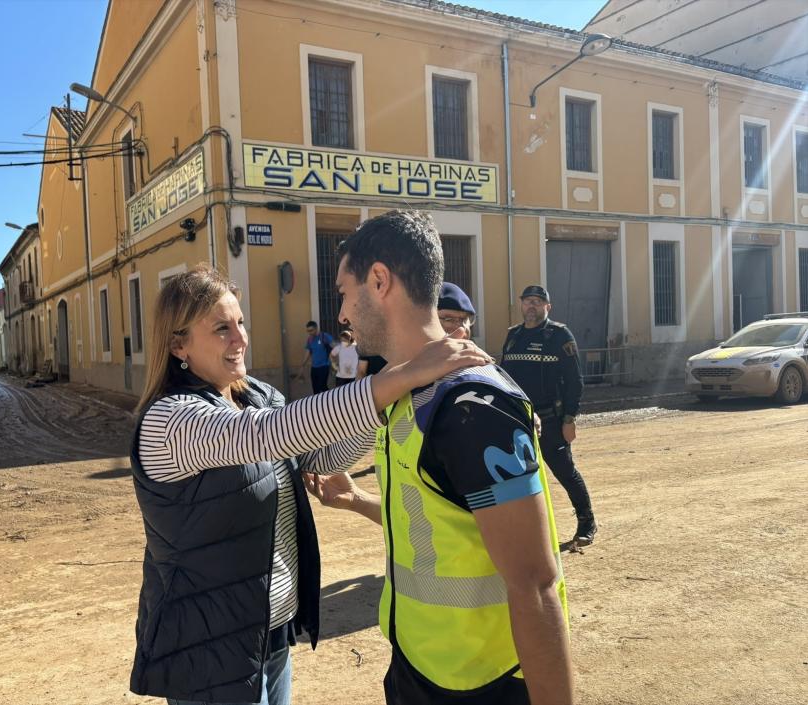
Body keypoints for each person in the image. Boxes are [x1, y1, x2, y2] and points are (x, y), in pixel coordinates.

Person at [128, 264, 489, 705]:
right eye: (221, 328)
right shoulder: (171, 419)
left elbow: (317, 457)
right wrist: (397, 377)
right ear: (178, 344)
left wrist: (386, 397)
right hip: (209, 645)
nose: (240, 339)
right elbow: (266, 434)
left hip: (270, 629)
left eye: (240, 322)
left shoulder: (257, 396)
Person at [307, 211, 573, 705]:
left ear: (379, 281)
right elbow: (432, 527)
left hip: (481, 683)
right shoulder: (403, 392)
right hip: (415, 665)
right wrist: (359, 500)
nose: (340, 315)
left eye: (343, 293)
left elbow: (535, 584)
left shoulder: (475, 405)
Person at [499, 285, 597, 547]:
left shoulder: (559, 335)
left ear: (547, 307)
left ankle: (587, 522)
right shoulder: (513, 336)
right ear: (521, 305)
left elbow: (575, 381)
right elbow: (504, 377)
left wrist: (569, 417)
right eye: (527, 301)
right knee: (515, 477)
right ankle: (523, 530)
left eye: (537, 302)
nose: (532, 306)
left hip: (551, 420)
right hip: (518, 420)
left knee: (565, 471)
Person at [298, 321, 334, 394]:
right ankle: (317, 404)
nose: (309, 332)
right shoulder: (310, 339)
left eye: (311, 330)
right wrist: (302, 365)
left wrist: (334, 364)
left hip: (324, 366)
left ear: (316, 328)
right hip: (314, 367)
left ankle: (331, 400)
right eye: (308, 331)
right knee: (315, 389)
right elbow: (308, 352)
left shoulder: (324, 336)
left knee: (322, 386)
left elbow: (334, 347)